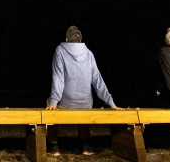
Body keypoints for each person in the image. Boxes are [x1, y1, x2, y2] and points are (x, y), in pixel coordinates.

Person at [46, 25, 123, 156]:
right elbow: (97, 80)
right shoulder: (88, 53)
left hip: (66, 103)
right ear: (80, 40)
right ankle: (86, 147)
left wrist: (53, 103)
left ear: (66, 39)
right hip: (86, 103)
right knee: (84, 108)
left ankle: (54, 146)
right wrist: (111, 103)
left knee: (49, 107)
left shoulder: (60, 51)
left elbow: (58, 78)